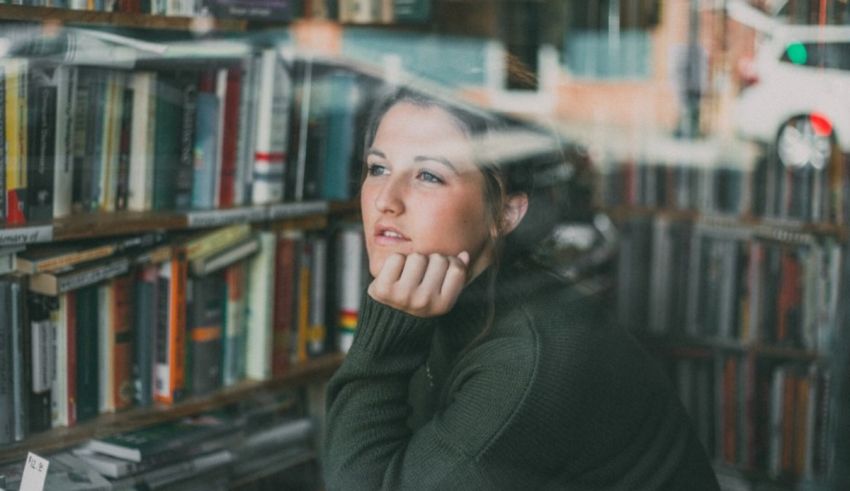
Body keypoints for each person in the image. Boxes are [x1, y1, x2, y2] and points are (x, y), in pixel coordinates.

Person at [322, 86, 720, 490]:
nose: (386, 201)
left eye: (428, 175)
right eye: (377, 169)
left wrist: (384, 343)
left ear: (505, 212)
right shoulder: (438, 298)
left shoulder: (528, 360)